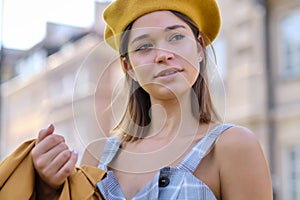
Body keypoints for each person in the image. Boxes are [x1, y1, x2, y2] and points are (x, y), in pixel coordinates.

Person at [1, 0, 273, 199]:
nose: (163, 54)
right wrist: (48, 190)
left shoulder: (232, 147)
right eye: (144, 46)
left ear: (200, 48)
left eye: (176, 36)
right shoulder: (96, 158)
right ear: (127, 66)